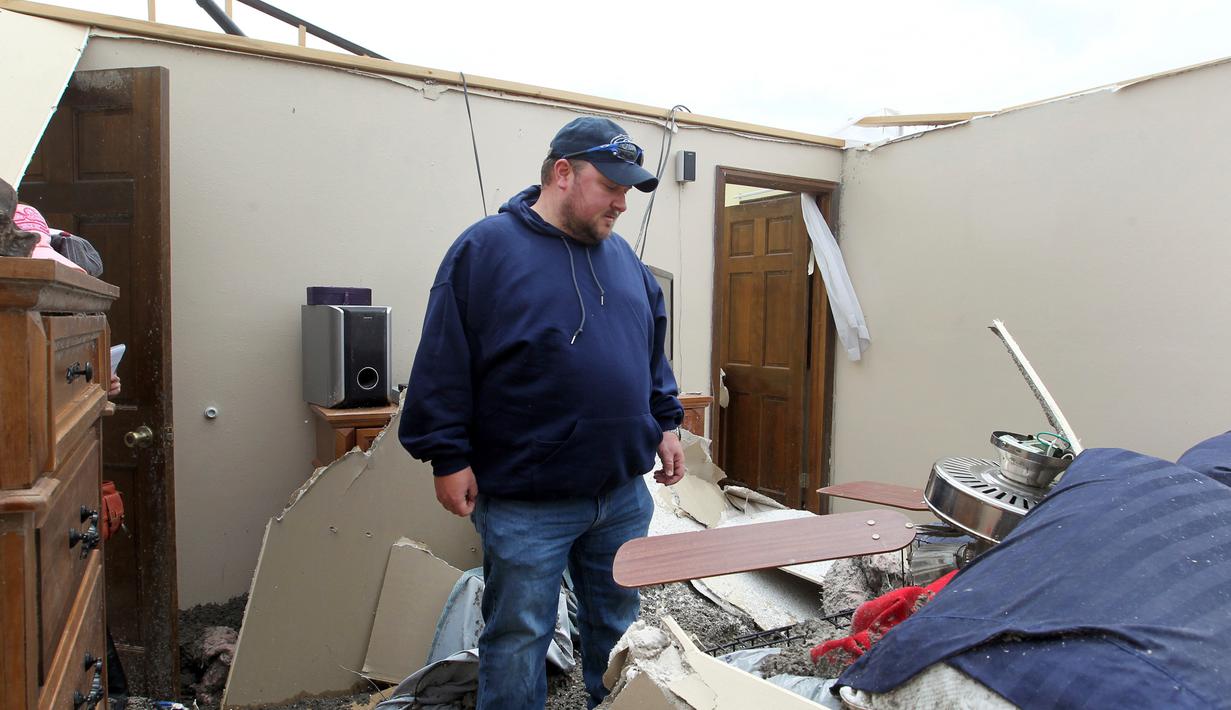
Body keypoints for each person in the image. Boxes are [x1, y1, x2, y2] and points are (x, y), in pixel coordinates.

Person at [399, 116, 686, 710]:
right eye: (611, 186)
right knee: (518, 636)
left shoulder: (625, 261)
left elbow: (649, 348)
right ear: (563, 173)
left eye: (628, 191)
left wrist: (666, 420)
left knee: (618, 632)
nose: (622, 203)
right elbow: (444, 358)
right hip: (528, 500)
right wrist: (447, 455)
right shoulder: (486, 250)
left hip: (620, 494)